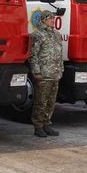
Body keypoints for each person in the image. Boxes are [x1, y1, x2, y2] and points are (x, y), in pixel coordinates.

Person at [29, 10, 63, 138]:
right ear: (43, 20)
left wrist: (61, 70)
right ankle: (38, 126)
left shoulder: (57, 35)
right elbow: (33, 55)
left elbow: (59, 55)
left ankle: (47, 124)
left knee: (51, 101)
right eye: (50, 18)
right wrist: (36, 71)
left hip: (55, 73)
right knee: (41, 101)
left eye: (53, 18)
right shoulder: (38, 35)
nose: (52, 21)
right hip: (43, 73)